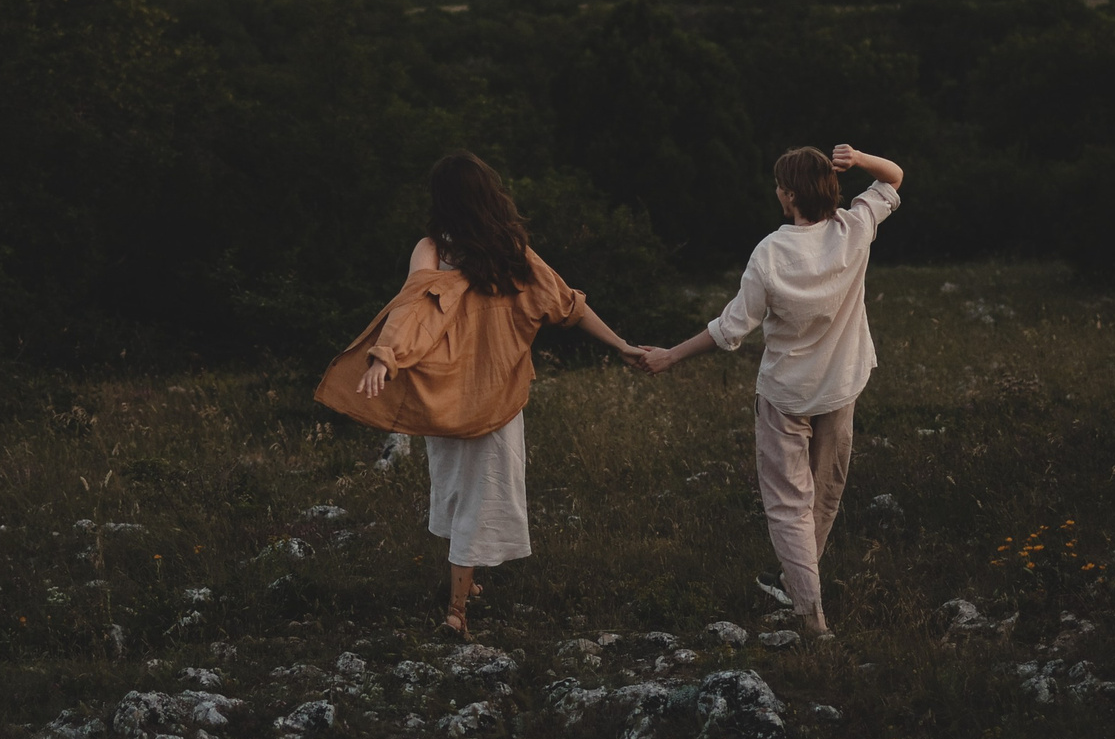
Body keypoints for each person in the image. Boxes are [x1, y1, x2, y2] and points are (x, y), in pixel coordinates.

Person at [315, 151, 646, 638]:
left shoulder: (433, 248)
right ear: (489, 195)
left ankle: (462, 588)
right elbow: (568, 304)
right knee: (481, 495)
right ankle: (456, 611)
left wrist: (386, 355)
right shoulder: (511, 252)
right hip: (495, 396)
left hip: (443, 395)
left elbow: (412, 307)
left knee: (458, 490)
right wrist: (621, 345)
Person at [642, 143, 902, 639]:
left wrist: (671, 355)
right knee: (825, 496)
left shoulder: (770, 253)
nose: (777, 193)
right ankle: (798, 587)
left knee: (789, 506)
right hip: (841, 387)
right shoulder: (854, 228)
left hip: (786, 396)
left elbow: (732, 328)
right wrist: (860, 158)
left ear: (790, 195)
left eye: (780, 187)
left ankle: (811, 616)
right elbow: (893, 177)